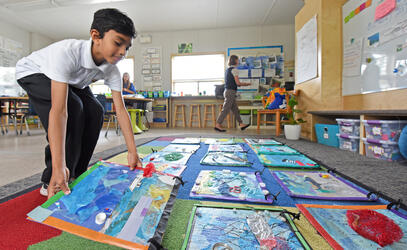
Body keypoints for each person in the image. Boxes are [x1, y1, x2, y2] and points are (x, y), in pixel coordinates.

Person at [15, 8, 142, 199]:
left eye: (127, 47)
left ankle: (76, 173)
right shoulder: (66, 53)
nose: (123, 52)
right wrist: (58, 167)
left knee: (96, 111)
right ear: (95, 36)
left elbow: (121, 111)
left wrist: (133, 152)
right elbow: (59, 113)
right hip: (34, 72)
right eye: (118, 43)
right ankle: (53, 177)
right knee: (73, 107)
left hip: (72, 81)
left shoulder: (111, 69)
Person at [215, 55, 251, 132]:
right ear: (235, 61)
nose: (239, 61)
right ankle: (218, 124)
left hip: (228, 91)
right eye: (238, 59)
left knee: (235, 109)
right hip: (230, 92)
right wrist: (247, 84)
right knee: (226, 109)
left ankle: (241, 123)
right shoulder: (234, 70)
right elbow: (238, 83)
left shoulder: (227, 70)